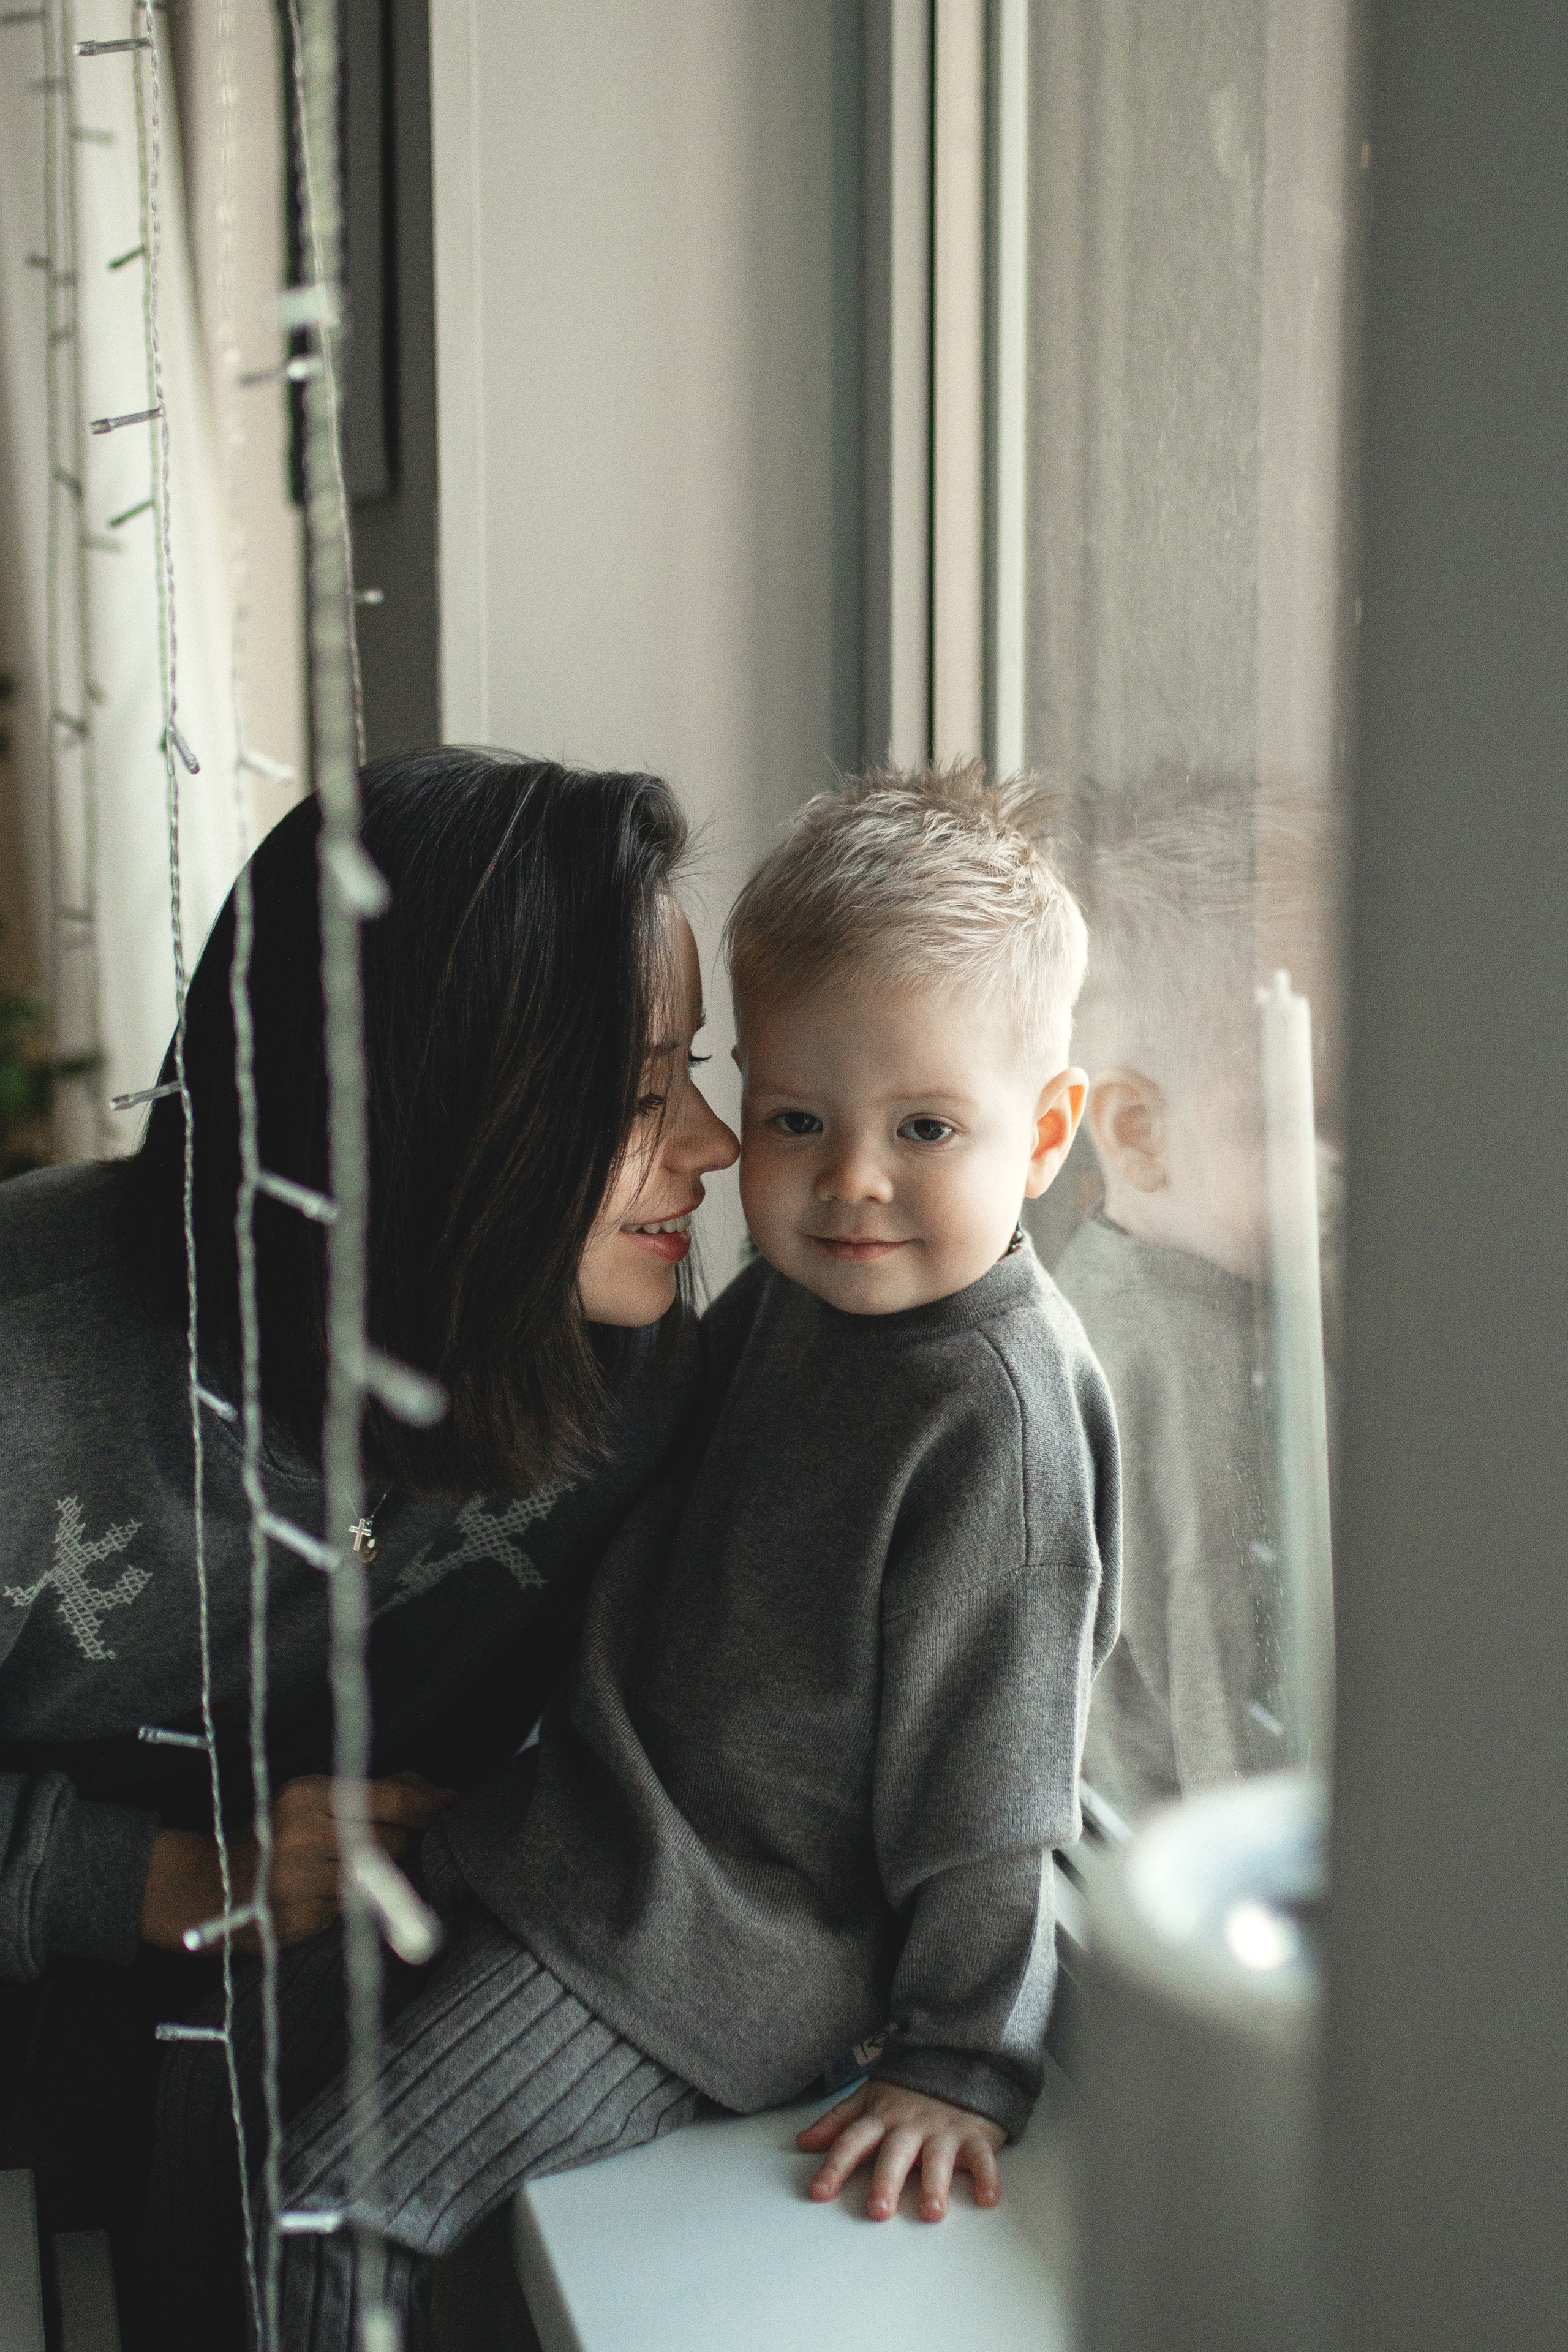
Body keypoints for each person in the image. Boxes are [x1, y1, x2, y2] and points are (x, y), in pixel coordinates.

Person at [255, 761, 1119, 2346]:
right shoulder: (799, 1298)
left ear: (1048, 1131)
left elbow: (1000, 1783)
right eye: (797, 1118)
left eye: (926, 1126)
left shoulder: (997, 1412)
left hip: (707, 1949)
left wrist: (965, 2059)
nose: (850, 1180)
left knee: (326, 2207)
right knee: (241, 2035)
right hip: (568, 1838)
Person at [0, 747, 739, 2346]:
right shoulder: (24, 1374)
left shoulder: (643, 1364)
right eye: (640, 1099)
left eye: (696, 1072)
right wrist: (178, 1878)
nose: (718, 1145)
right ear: (438, 1135)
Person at [1052, 771, 1290, 1818]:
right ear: (1139, 1134)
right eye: (1287, 1120)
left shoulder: (1115, 1260)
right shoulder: (1189, 1366)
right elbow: (1228, 1724)